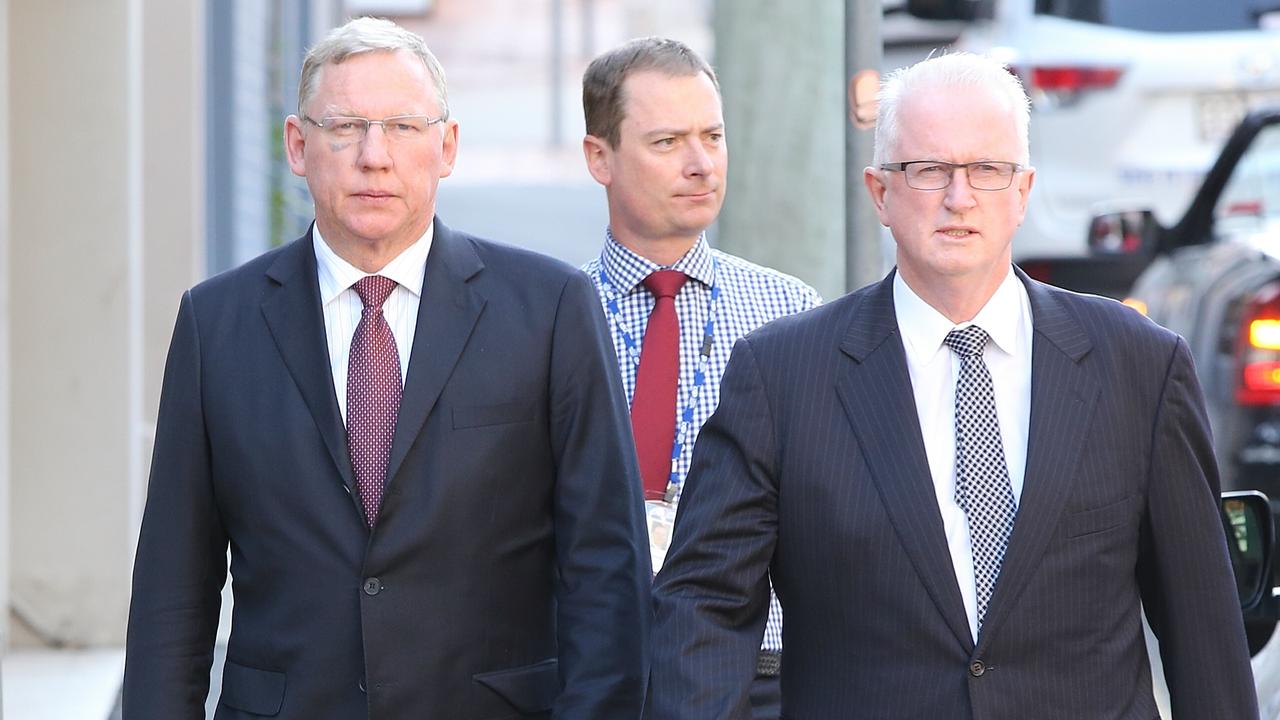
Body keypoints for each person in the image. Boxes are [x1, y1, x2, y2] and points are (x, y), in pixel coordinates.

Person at [648, 51, 1257, 719]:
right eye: (929, 169)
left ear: (1023, 191)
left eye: (987, 170)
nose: (959, 197)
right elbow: (704, 610)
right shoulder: (781, 375)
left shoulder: (1138, 364)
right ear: (880, 192)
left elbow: (1202, 628)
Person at [122, 17, 650, 720]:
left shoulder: (550, 311)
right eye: (345, 127)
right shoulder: (217, 324)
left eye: (402, 126)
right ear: (298, 146)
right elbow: (172, 588)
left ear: (447, 146)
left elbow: (606, 571)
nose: (375, 156)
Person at [579, 37, 822, 719]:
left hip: (760, 673)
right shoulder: (553, 316)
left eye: (712, 136)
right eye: (666, 142)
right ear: (601, 157)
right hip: (595, 666)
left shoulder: (792, 312)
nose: (700, 164)